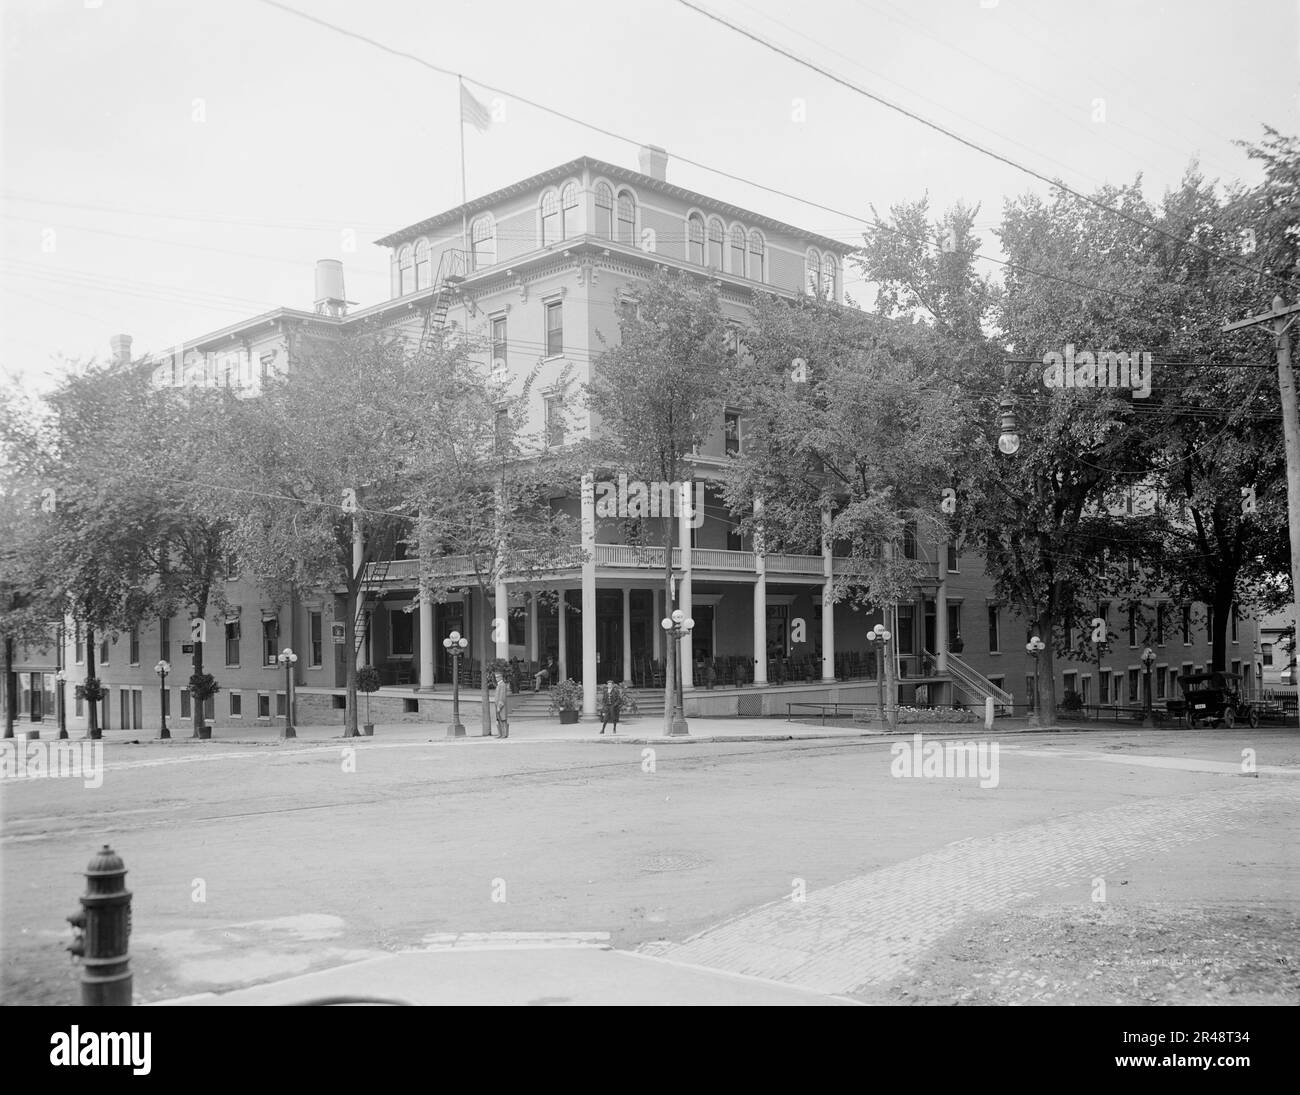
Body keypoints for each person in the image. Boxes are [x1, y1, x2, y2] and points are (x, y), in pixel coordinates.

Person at [492, 671, 509, 738]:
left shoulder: (502, 685)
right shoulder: (499, 684)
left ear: (501, 677)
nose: (496, 678)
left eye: (498, 677)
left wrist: (499, 706)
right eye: (496, 677)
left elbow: (502, 696)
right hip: (498, 705)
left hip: (501, 706)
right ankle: (500, 734)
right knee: (499, 719)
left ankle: (504, 734)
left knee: (503, 719)